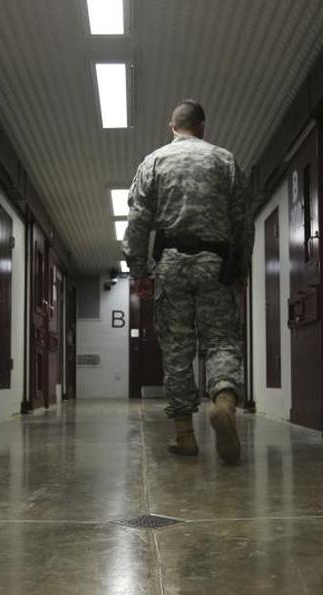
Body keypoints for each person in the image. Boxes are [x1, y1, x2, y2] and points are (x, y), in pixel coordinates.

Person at [122, 99, 253, 463]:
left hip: (172, 265)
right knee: (221, 340)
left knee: (177, 351)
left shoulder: (154, 162)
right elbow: (243, 221)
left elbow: (137, 222)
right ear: (203, 127)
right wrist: (238, 269)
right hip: (215, 264)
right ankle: (224, 401)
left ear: (172, 126)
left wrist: (139, 272)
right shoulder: (224, 160)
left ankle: (185, 436)